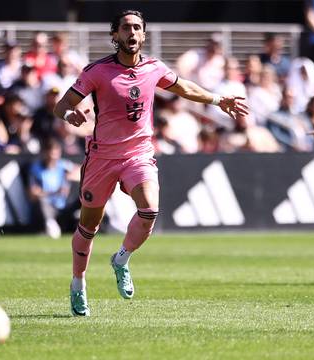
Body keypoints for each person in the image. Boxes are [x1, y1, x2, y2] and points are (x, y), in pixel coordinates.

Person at [53, 10, 248, 317]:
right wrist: (69, 115)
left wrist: (216, 100)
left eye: (137, 28)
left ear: (143, 35)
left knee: (150, 209)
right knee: (88, 226)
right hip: (102, 157)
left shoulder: (154, 68)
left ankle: (121, 259)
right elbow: (62, 104)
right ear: (114, 35)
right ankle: (78, 283)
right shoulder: (97, 71)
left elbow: (183, 87)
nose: (132, 33)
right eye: (126, 28)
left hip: (138, 154)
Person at [28, 137, 78, 239]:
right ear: (45, 153)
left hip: (63, 207)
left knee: (85, 197)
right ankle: (50, 224)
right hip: (48, 207)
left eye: (56, 153)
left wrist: (70, 177)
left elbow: (83, 171)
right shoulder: (36, 168)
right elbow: (33, 194)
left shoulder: (64, 165)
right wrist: (54, 192)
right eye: (51, 153)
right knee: (41, 201)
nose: (53, 157)